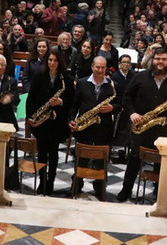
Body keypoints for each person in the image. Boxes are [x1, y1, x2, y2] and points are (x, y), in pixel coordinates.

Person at [117, 47, 167, 202]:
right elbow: (127, 97)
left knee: (162, 163)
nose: (160, 62)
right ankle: (126, 189)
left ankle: (159, 193)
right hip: (141, 127)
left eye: (163, 59)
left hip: (165, 129)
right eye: (157, 59)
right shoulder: (139, 77)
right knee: (134, 159)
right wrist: (132, 113)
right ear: (152, 59)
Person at [68, 56, 120, 199]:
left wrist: (112, 108)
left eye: (103, 68)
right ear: (92, 67)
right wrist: (72, 119)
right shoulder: (82, 83)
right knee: (80, 159)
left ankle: (99, 189)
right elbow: (74, 105)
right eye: (97, 67)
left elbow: (120, 105)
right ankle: (77, 186)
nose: (100, 70)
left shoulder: (112, 85)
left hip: (104, 129)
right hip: (84, 128)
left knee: (101, 162)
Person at [26, 50, 74, 195]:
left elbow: (72, 100)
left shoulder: (66, 78)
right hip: (41, 121)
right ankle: (42, 181)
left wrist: (61, 101)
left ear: (59, 62)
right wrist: (30, 116)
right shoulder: (39, 75)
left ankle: (51, 181)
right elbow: (31, 97)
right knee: (41, 152)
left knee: (53, 153)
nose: (52, 63)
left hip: (57, 122)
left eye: (55, 60)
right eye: (50, 60)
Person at [111, 54, 134, 162]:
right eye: (124, 62)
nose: (126, 64)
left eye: (128, 62)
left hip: (129, 106)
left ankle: (127, 150)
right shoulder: (115, 76)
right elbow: (114, 94)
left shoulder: (133, 76)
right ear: (120, 63)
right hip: (118, 105)